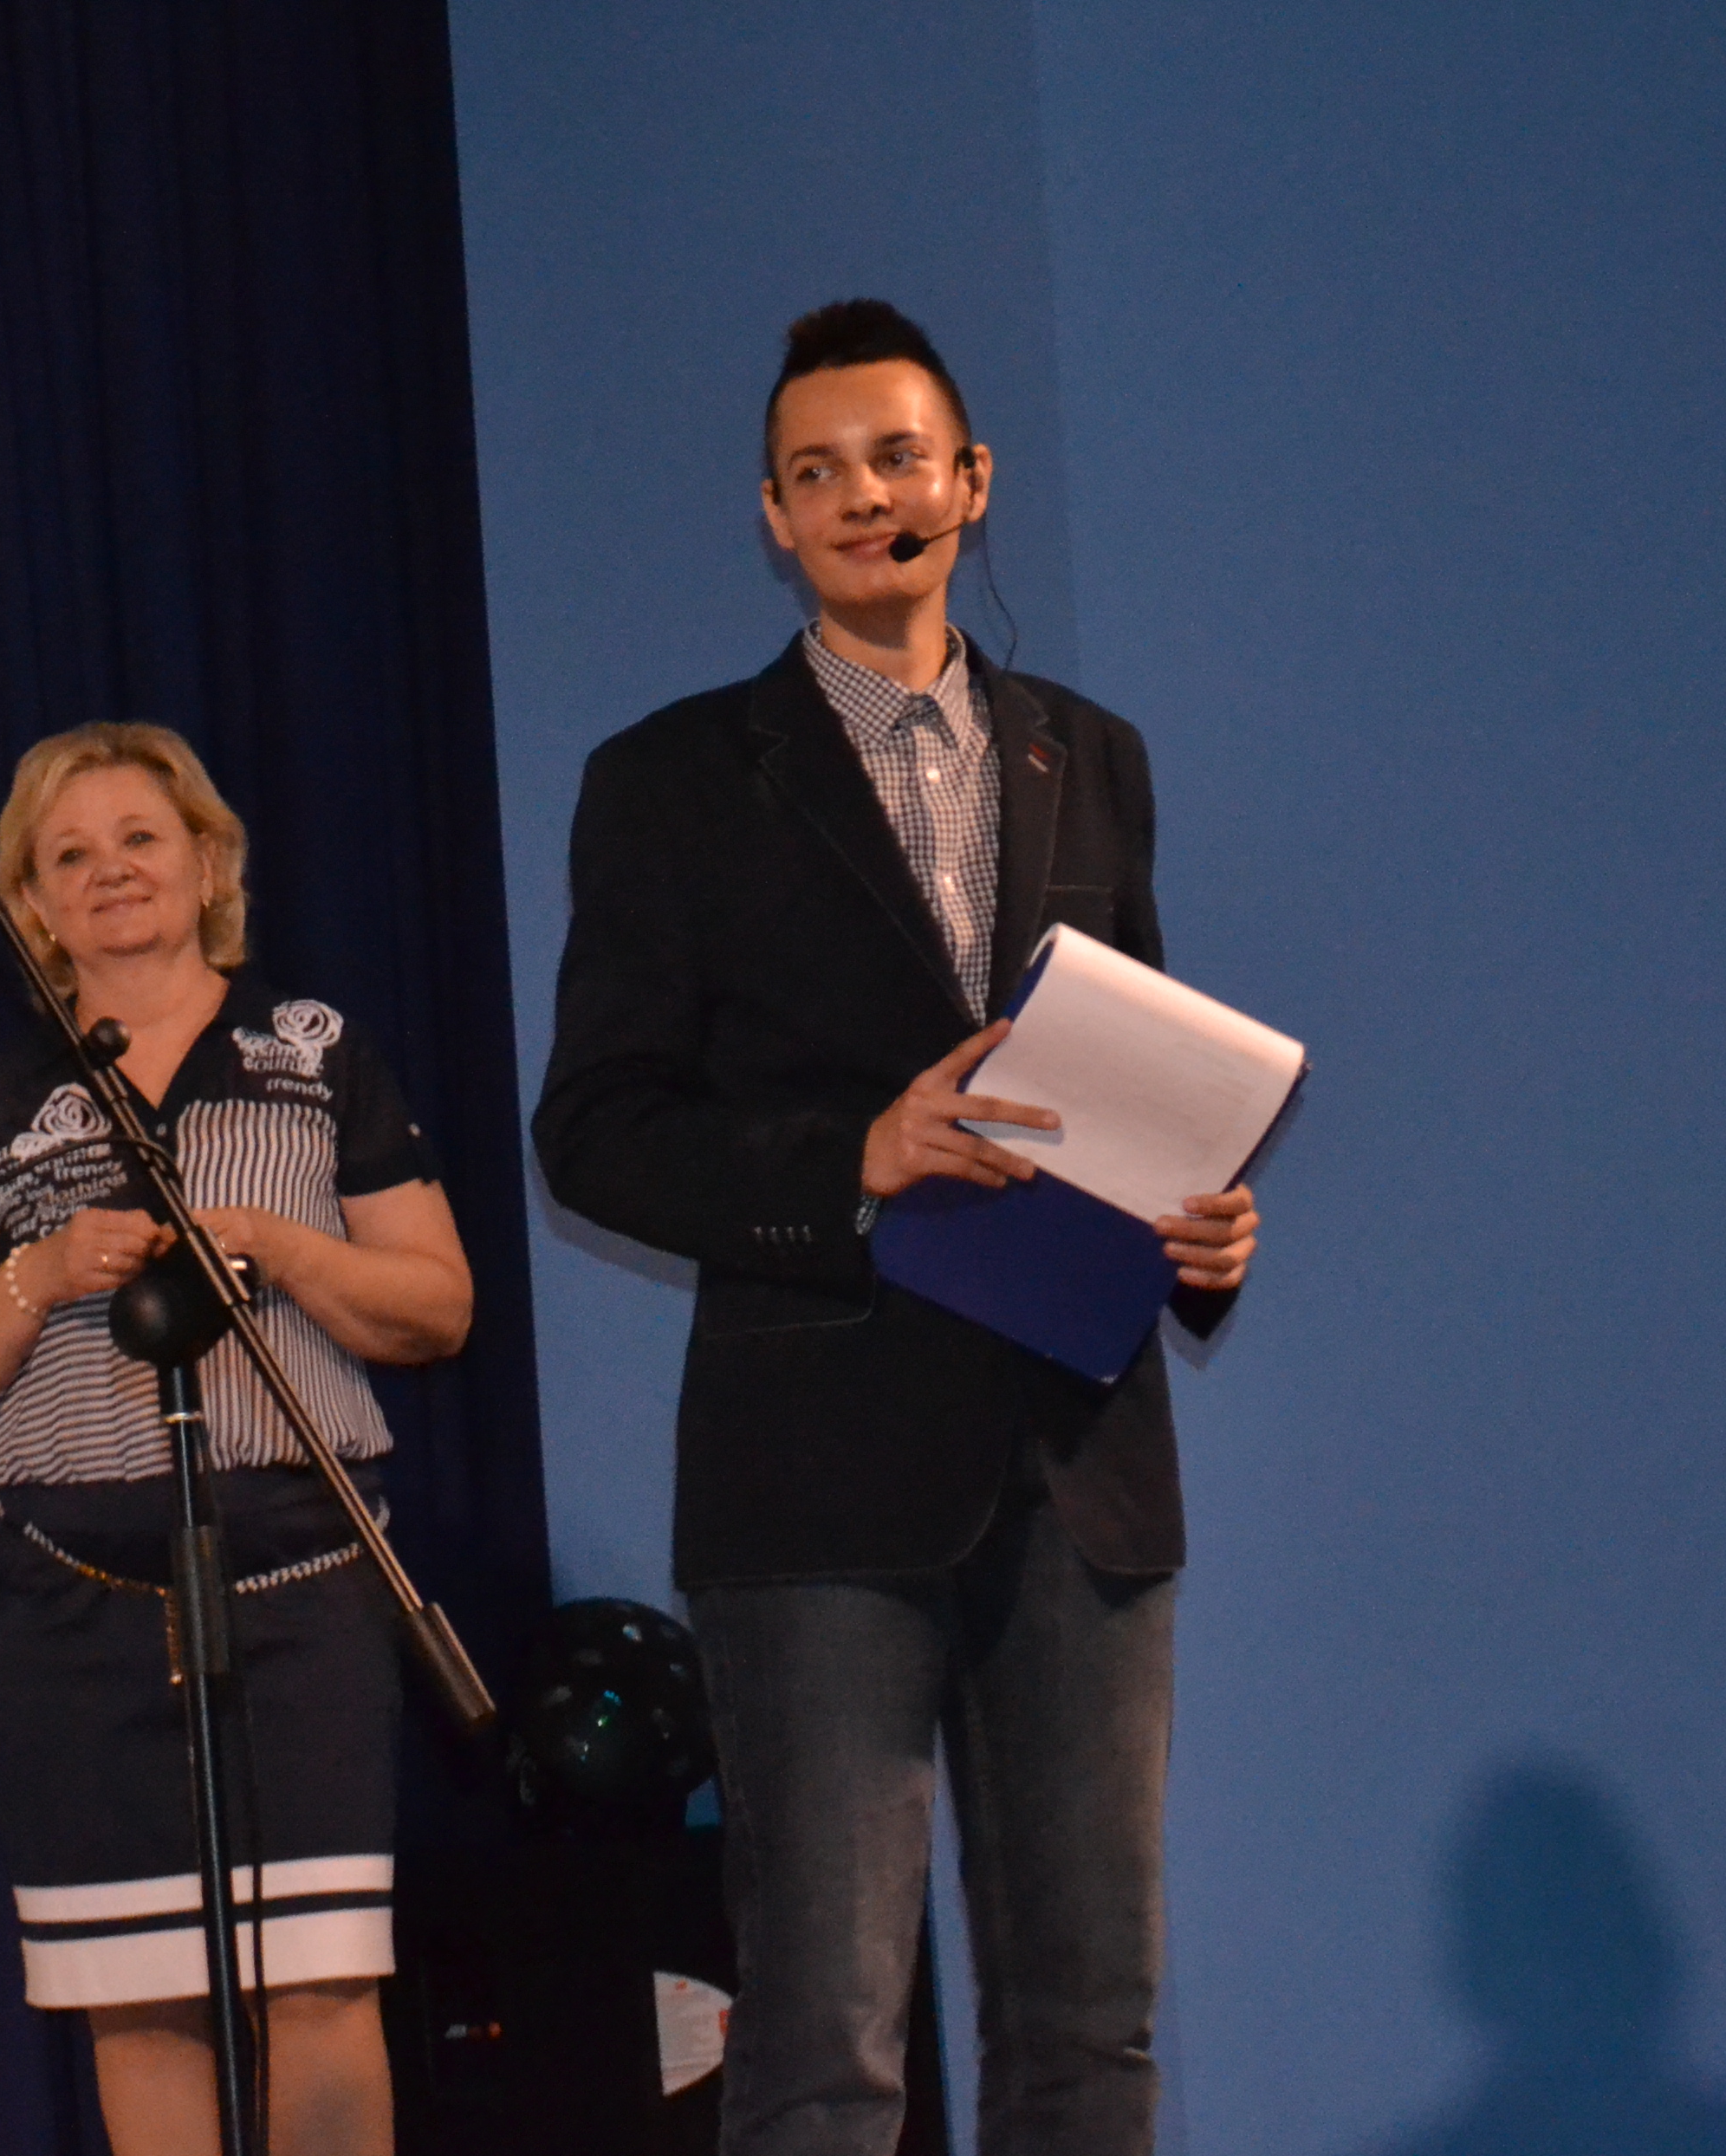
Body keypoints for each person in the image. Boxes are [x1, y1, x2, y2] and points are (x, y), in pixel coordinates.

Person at [529, 300, 1262, 2156]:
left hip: (1081, 1464)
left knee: (1090, 2029)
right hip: (814, 1483)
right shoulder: (674, 778)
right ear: (775, 518)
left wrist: (1203, 1233)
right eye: (821, 472)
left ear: (972, 483)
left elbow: (1137, 1064)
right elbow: (595, 1132)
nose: (868, 496)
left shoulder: (1090, 755)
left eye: (900, 459)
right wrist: (852, 1155)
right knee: (829, 2038)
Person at [0, 721, 472, 2156]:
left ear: (208, 861)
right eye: (68, 855)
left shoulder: (314, 1051)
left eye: (140, 839)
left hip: (301, 1579)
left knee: (320, 1979)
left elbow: (438, 1306)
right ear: (31, 901)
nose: (111, 872)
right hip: (76, 1603)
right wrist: (40, 1273)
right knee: (138, 2000)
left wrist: (279, 1246)